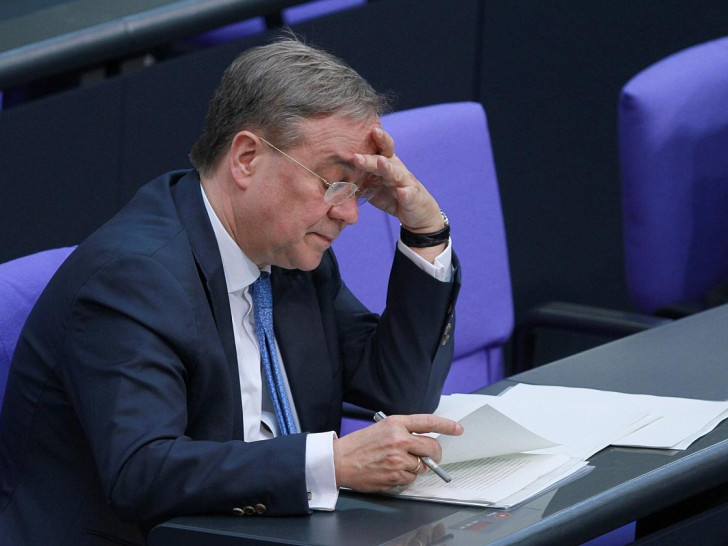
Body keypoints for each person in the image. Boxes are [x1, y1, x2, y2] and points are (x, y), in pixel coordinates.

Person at [0, 36, 462, 545]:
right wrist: (330, 463)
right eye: (333, 182)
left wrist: (425, 230)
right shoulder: (134, 278)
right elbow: (142, 472)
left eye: (357, 189)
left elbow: (398, 392)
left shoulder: (291, 255)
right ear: (246, 158)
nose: (350, 213)